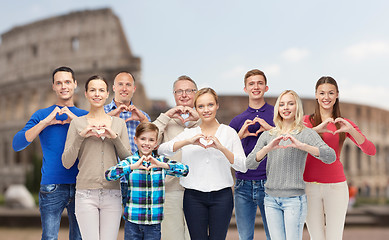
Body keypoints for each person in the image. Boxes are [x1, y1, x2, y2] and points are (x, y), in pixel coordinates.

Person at [158, 87, 247, 239]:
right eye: (201, 106)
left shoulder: (228, 133)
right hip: (193, 198)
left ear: (217, 105)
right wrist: (187, 141)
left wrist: (221, 148)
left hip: (222, 197)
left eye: (210, 105)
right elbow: (162, 150)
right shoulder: (189, 133)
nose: (206, 110)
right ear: (196, 109)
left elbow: (242, 166)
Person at [246, 90, 336, 240]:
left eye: (290, 103)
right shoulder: (268, 135)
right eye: (282, 104)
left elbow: (330, 156)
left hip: (294, 200)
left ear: (297, 108)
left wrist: (302, 146)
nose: (286, 107)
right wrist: (268, 148)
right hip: (270, 200)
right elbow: (249, 163)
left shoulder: (306, 133)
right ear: (278, 109)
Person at [12, 66, 87, 240]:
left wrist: (76, 122)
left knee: (79, 238)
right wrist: (45, 122)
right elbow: (17, 143)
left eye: (67, 82)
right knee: (49, 237)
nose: (64, 86)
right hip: (52, 187)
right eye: (59, 83)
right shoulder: (42, 115)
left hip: (82, 186)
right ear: (53, 86)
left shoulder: (85, 116)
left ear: (75, 84)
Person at [303, 76, 376, 240]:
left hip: (336, 186)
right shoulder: (306, 122)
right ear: (316, 95)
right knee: (316, 237)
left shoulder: (344, 124)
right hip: (309, 187)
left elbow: (370, 150)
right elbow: (293, 140)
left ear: (337, 95)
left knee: (334, 237)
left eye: (330, 93)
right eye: (322, 93)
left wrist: (351, 130)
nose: (326, 97)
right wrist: (315, 129)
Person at [62, 75, 131, 240]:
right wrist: (81, 136)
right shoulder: (77, 123)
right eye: (92, 90)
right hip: (85, 194)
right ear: (86, 94)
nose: (97, 94)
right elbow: (66, 162)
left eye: (101, 90)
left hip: (113, 194)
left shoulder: (119, 124)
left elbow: (128, 160)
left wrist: (115, 138)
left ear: (108, 94)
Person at [105, 122, 189, 240]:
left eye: (151, 140)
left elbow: (184, 170)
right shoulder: (130, 162)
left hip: (154, 223)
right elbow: (109, 175)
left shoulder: (160, 161)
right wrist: (132, 167)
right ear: (135, 140)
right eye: (143, 139)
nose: (146, 143)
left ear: (156, 143)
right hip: (133, 222)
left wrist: (162, 165)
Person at [153, 75, 200, 240]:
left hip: (198, 190)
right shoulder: (165, 121)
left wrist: (199, 120)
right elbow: (150, 142)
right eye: (179, 91)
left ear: (196, 93)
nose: (184, 94)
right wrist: (166, 116)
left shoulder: (204, 119)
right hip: (171, 189)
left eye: (188, 90)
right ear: (174, 94)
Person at [229, 69, 274, 240]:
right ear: (245, 89)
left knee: (274, 235)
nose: (256, 87)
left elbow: (289, 139)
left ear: (266, 87)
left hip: (270, 182)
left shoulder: (277, 115)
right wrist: (239, 135)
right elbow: (224, 151)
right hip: (243, 184)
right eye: (251, 84)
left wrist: (271, 130)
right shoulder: (237, 121)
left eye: (260, 83)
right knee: (245, 237)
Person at [104, 71, 151, 206]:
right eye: (120, 84)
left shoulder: (144, 117)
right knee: (108, 226)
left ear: (134, 89)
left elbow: (153, 146)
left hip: (135, 180)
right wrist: (110, 118)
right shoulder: (102, 113)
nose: (124, 88)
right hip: (110, 180)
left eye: (128, 85)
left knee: (134, 226)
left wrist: (143, 121)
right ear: (113, 87)